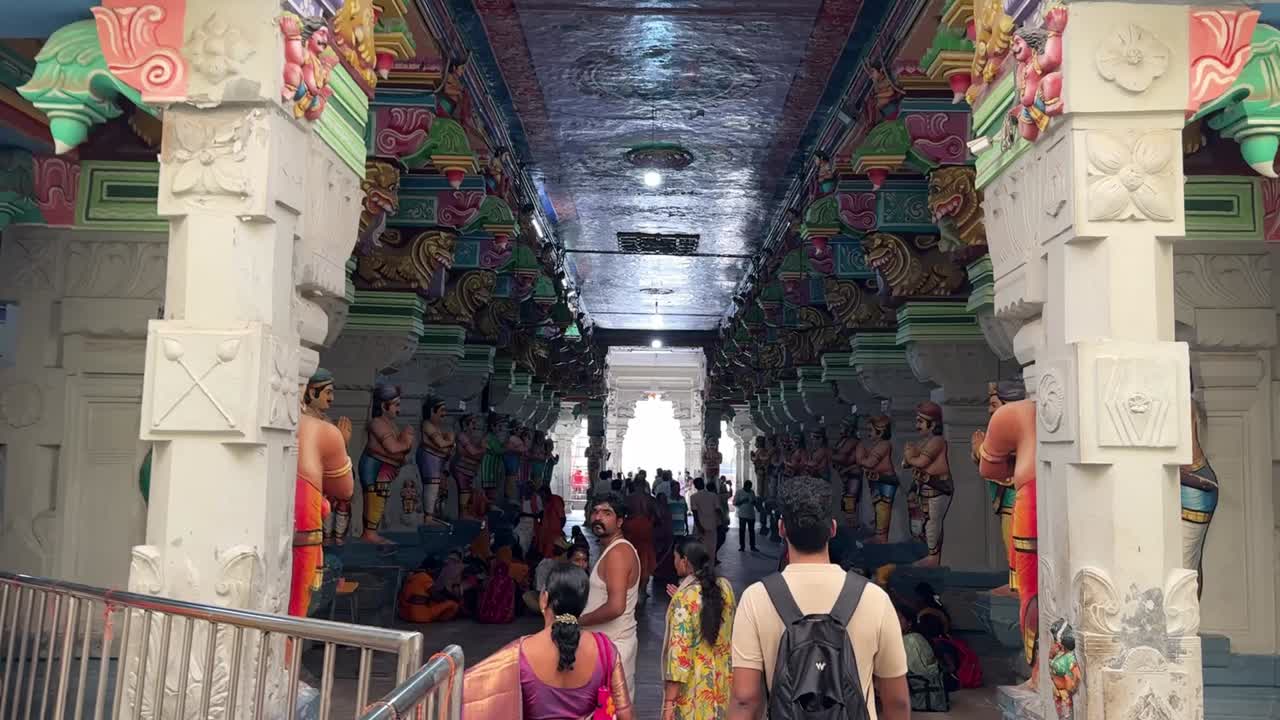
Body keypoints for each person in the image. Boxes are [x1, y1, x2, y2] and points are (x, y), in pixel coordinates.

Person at [728, 479, 910, 720]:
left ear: (782, 528)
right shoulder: (874, 598)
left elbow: (744, 699)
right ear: (833, 529)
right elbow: (896, 701)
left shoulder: (756, 598)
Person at [464, 564, 634, 720]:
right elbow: (624, 714)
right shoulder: (605, 649)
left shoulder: (518, 653)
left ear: (544, 599)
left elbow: (470, 691)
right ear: (583, 605)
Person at [663, 538, 736, 720]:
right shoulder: (725, 588)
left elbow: (679, 656)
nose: (674, 563)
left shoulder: (685, 599)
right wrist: (681, 596)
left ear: (684, 561)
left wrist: (669, 703)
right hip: (723, 687)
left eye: (675, 558)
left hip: (694, 693)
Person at [580, 492, 640, 698]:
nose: (598, 517)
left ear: (620, 521)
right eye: (595, 512)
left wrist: (577, 622)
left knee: (611, 710)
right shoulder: (612, 550)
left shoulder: (618, 553)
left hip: (613, 647)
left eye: (607, 513)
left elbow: (616, 606)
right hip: (606, 646)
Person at [358, 384, 415, 543]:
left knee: (379, 499)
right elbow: (394, 448)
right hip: (374, 467)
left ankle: (372, 532)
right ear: (384, 406)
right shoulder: (378, 423)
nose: (399, 409)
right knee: (374, 498)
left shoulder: (389, 424)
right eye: (396, 405)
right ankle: (369, 534)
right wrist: (407, 439)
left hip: (384, 467)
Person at [898, 606, 948, 712]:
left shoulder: (910, 640)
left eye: (900, 618)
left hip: (923, 687)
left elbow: (919, 671)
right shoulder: (916, 636)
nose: (895, 621)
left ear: (909, 623)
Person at [624, 480, 658, 597]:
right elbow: (657, 515)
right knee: (645, 560)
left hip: (631, 527)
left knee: (630, 555)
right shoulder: (650, 499)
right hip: (645, 526)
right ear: (644, 486)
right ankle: (642, 590)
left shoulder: (628, 498)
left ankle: (632, 588)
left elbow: (623, 513)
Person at [689, 478, 720, 567]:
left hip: (700, 528)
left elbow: (695, 514)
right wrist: (719, 522)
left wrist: (699, 526)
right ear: (703, 484)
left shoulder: (693, 497)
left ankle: (700, 571)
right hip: (712, 526)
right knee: (711, 550)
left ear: (695, 486)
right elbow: (718, 510)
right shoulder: (713, 496)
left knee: (699, 550)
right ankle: (710, 571)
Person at [535, 484, 568, 559]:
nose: (541, 498)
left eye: (542, 495)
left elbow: (562, 518)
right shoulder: (545, 502)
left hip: (554, 533)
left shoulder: (556, 501)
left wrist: (558, 531)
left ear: (547, 493)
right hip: (546, 533)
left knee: (552, 554)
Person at [733, 481, 758, 552]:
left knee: (752, 531)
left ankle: (753, 546)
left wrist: (754, 502)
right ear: (744, 486)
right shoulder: (739, 492)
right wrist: (743, 501)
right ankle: (742, 546)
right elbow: (734, 503)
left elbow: (755, 502)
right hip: (742, 515)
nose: (749, 488)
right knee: (742, 531)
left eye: (750, 487)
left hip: (751, 514)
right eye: (748, 487)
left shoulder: (752, 492)